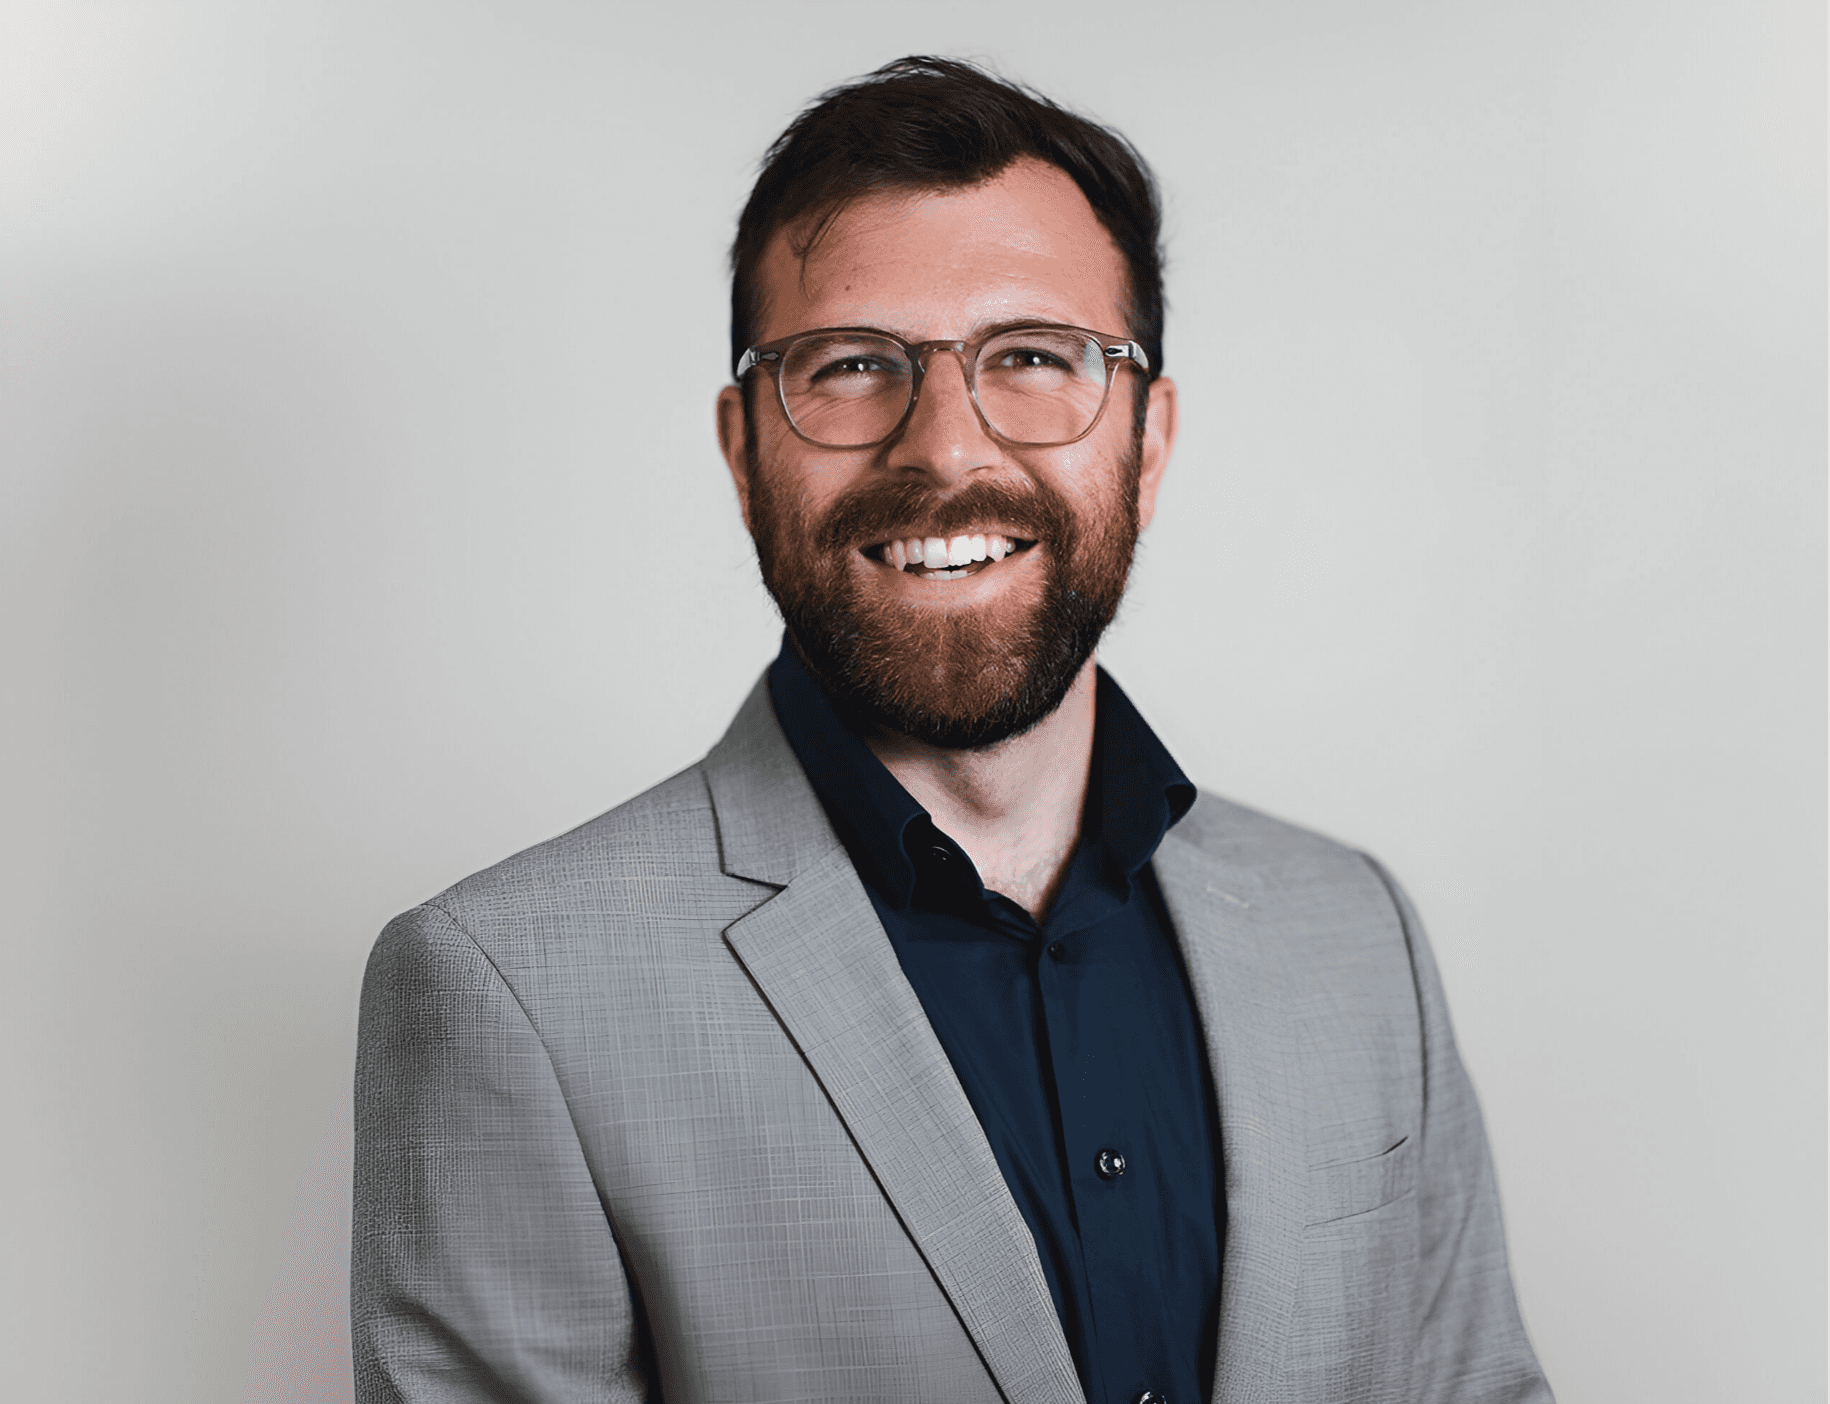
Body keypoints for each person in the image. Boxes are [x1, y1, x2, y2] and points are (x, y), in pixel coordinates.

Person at [351, 56, 1551, 1404]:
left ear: (1148, 442)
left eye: (1032, 357)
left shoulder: (1355, 932)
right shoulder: (509, 991)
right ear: (744, 452)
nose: (945, 450)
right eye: (852, 366)